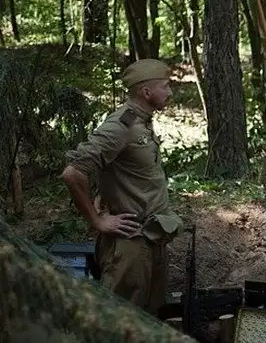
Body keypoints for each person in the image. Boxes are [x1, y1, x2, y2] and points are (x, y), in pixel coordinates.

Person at [62, 59, 181, 315]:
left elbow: (115, 167)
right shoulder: (120, 126)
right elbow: (73, 173)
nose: (170, 92)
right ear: (146, 93)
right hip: (130, 245)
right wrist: (97, 221)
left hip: (153, 237)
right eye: (165, 86)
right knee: (120, 323)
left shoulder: (141, 120)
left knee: (148, 320)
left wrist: (102, 194)